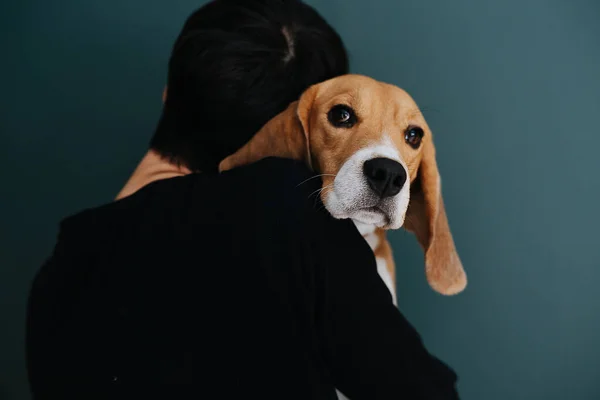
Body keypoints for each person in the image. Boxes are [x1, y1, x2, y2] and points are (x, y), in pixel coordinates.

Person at [26, 1, 461, 399]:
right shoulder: (292, 218)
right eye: (342, 115)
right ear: (293, 132)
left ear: (168, 95)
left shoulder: (59, 268)